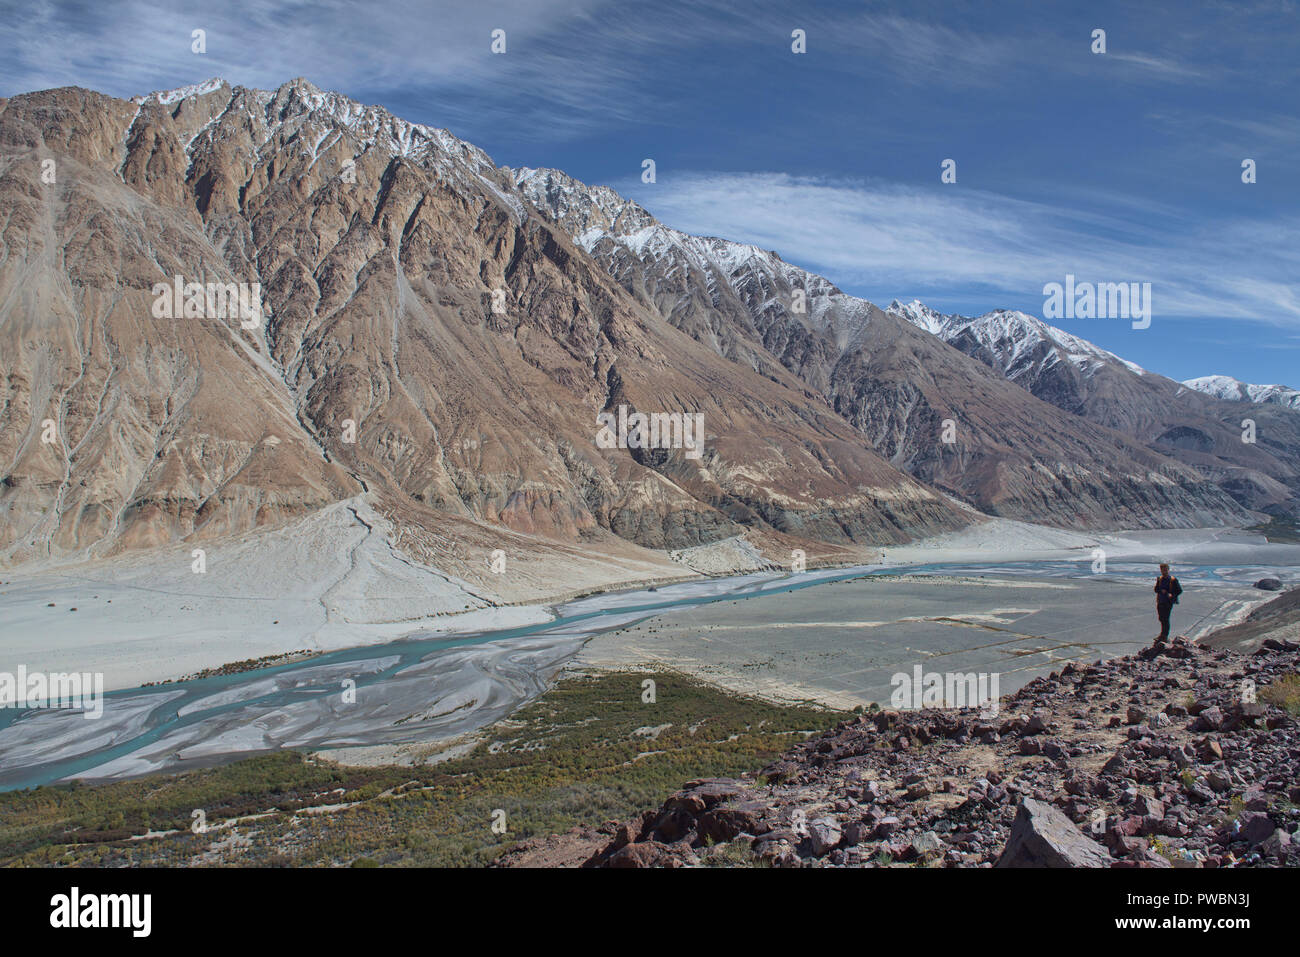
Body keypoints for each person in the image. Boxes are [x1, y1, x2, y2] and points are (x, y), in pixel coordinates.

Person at [1154, 563, 1182, 641]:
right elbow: (1156, 589)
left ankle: (1164, 636)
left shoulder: (1173, 580)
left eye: (1165, 569)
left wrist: (1172, 595)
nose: (1164, 571)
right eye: (1162, 570)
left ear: (1168, 570)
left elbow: (1179, 590)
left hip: (1168, 602)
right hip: (1160, 601)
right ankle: (1162, 634)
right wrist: (1161, 591)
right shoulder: (1159, 579)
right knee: (1161, 618)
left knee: (1165, 619)